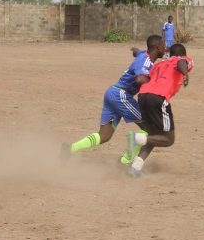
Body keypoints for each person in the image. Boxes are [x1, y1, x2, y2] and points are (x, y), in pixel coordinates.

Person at [61, 35, 165, 163]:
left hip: (112, 93)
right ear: (158, 47)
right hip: (121, 95)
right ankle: (125, 161)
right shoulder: (145, 62)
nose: (166, 48)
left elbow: (138, 53)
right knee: (150, 128)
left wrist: (135, 51)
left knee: (104, 136)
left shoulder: (143, 55)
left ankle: (70, 148)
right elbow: (140, 79)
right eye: (164, 45)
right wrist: (157, 81)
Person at [126, 43, 194, 176]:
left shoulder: (159, 64)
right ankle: (136, 138)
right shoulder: (182, 60)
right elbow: (181, 62)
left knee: (154, 135)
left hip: (143, 96)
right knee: (168, 139)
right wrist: (185, 74)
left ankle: (136, 167)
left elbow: (146, 78)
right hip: (158, 98)